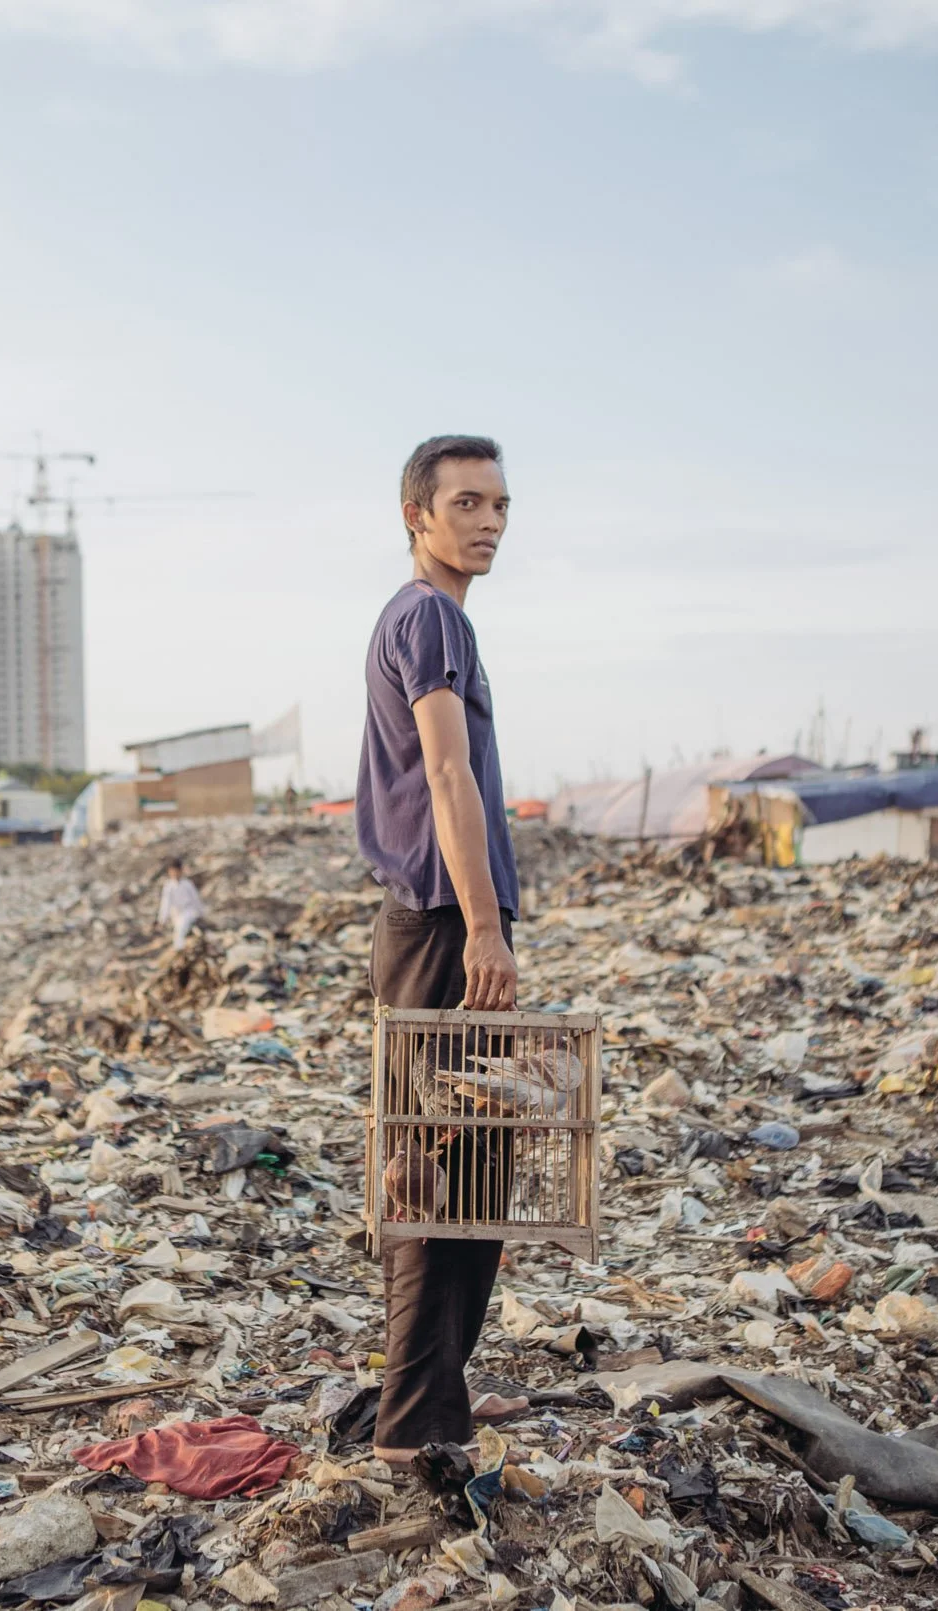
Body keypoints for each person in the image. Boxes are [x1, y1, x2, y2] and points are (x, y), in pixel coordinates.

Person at [356, 433, 524, 1465]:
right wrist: (488, 929)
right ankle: (412, 1427)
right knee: (443, 1178)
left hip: (428, 922)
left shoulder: (426, 620)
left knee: (453, 1172)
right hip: (442, 924)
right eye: (466, 503)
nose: (489, 521)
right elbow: (448, 776)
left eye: (500, 505)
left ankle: (428, 1403)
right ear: (417, 516)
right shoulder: (429, 620)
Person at [157, 857, 204, 944]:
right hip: (176, 913)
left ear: (181, 871)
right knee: (179, 927)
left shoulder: (187, 884)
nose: (174, 873)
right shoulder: (168, 886)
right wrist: (162, 920)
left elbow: (195, 899)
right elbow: (165, 904)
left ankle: (179, 948)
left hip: (188, 911)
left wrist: (201, 913)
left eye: (176, 871)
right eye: (172, 871)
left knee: (180, 929)